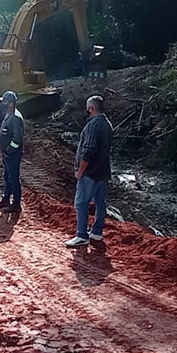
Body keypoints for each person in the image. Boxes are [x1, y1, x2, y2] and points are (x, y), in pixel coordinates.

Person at [65, 95, 113, 248]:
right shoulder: (107, 125)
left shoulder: (92, 126)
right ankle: (97, 232)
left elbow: (89, 151)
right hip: (103, 171)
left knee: (81, 203)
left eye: (88, 108)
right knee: (100, 203)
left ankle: (81, 235)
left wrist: (80, 171)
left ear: (91, 108)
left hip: (90, 173)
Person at [0, 90, 24, 214]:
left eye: (5, 102)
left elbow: (17, 138)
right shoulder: (8, 114)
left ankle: (16, 204)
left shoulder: (16, 118)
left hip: (13, 155)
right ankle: (6, 199)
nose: (2, 104)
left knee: (13, 178)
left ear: (11, 103)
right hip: (6, 154)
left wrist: (9, 150)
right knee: (7, 176)